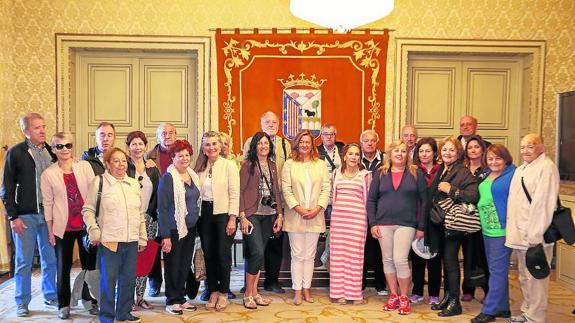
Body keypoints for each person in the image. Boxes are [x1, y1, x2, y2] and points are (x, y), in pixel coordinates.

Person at [0, 113, 58, 317]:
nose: (42, 131)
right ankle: (22, 301)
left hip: (49, 216)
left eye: (43, 126)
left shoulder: (52, 152)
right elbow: (5, 188)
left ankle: (51, 295)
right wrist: (12, 217)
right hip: (24, 216)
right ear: (26, 131)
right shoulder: (16, 153)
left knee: (50, 259)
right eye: (36, 128)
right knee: (24, 262)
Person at [82, 147, 147, 323]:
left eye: (124, 161)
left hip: (131, 239)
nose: (120, 165)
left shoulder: (133, 184)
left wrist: (142, 237)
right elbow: (88, 210)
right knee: (108, 281)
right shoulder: (99, 182)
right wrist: (94, 230)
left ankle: (124, 313)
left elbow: (139, 213)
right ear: (108, 164)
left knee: (128, 279)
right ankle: (107, 316)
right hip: (109, 240)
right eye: (116, 161)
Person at [367, 140, 428, 315]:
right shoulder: (380, 173)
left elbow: (424, 203)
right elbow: (371, 200)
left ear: (407, 154)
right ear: (390, 154)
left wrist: (421, 226)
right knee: (387, 259)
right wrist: (373, 223)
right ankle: (393, 295)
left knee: (400, 259)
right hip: (383, 223)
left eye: (403, 151)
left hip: (406, 224)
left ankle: (404, 297)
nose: (400, 154)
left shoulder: (416, 173)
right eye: (396, 151)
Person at [40, 132, 96, 319]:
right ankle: (64, 304)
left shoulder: (85, 166)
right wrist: (49, 230)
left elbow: (93, 194)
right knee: (63, 267)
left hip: (85, 225)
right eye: (60, 146)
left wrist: (95, 223)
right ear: (54, 149)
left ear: (73, 146)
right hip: (62, 228)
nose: (65, 150)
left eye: (68, 145)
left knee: (89, 266)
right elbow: (47, 204)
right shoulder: (48, 174)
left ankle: (89, 300)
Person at [505, 133, 559, 323]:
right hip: (521, 235)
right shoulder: (522, 169)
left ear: (542, 147)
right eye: (522, 147)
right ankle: (527, 311)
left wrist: (535, 234)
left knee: (536, 278)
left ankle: (536, 317)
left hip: (536, 236)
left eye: (531, 146)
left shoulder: (546, 168)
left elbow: (544, 204)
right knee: (524, 276)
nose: (526, 150)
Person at [426, 136, 479, 317]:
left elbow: (473, 195)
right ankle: (448, 297)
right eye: (444, 150)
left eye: (451, 150)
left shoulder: (462, 171)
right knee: (446, 262)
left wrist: (451, 190)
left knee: (451, 263)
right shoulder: (443, 168)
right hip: (442, 222)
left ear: (458, 152)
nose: (447, 153)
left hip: (454, 225)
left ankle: (455, 302)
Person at [243, 111, 291, 294]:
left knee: (275, 242)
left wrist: (280, 207)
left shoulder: (285, 144)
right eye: (267, 122)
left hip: (276, 201)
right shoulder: (251, 141)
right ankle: (250, 284)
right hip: (254, 204)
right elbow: (246, 169)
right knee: (253, 246)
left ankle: (272, 280)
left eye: (274, 122)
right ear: (261, 123)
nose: (271, 124)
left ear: (279, 123)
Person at [281, 129, 330, 305]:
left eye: (307, 142)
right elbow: (286, 189)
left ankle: (307, 288)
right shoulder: (289, 164)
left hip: (316, 215)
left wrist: (318, 208)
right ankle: (297, 290)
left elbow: (326, 188)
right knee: (297, 254)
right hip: (296, 215)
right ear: (296, 144)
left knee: (310, 256)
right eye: (301, 142)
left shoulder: (321, 164)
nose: (304, 145)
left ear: (312, 145)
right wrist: (299, 208)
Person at [194, 131, 240, 311]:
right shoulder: (198, 167)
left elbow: (234, 194)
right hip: (204, 214)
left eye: (214, 144)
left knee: (223, 254)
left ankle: (223, 292)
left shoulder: (229, 165)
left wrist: (232, 218)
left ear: (220, 146)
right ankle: (213, 290)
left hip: (223, 214)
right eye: (207, 144)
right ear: (203, 149)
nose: (211, 147)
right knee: (209, 254)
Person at [471, 144, 516, 323]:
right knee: (496, 270)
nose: (494, 162)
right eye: (490, 158)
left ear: (506, 159)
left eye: (498, 158)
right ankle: (503, 307)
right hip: (487, 229)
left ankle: (489, 311)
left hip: (501, 230)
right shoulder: (488, 174)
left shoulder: (513, 174)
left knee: (497, 271)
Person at [238, 131, 283, 309]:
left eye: (266, 143)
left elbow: (276, 191)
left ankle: (255, 293)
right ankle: (248, 295)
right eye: (260, 143)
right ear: (254, 146)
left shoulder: (272, 165)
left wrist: (279, 214)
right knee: (256, 253)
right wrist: (242, 216)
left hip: (269, 215)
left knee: (258, 254)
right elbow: (239, 191)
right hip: (252, 214)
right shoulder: (247, 165)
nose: (263, 146)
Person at [156, 140, 201, 315]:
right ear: (172, 157)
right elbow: (163, 208)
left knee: (184, 264)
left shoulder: (192, 175)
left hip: (190, 228)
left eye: (187, 155)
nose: (184, 158)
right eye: (179, 155)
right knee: (172, 265)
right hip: (174, 230)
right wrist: (166, 236)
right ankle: (172, 300)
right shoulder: (168, 178)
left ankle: (181, 298)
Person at [329, 143, 370, 305]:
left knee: (355, 257)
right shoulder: (335, 174)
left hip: (358, 221)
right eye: (351, 154)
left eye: (357, 154)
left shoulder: (366, 175)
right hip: (339, 221)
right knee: (338, 257)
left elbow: (368, 201)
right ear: (344, 156)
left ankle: (354, 293)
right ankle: (340, 294)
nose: (354, 157)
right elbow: (333, 198)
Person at [125, 131, 161, 311]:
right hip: (128, 220)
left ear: (145, 147)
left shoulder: (152, 168)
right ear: (128, 147)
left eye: (141, 144)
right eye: (134, 144)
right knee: (129, 260)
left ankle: (140, 297)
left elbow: (158, 194)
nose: (137, 148)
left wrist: (150, 216)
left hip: (149, 220)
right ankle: (127, 298)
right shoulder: (123, 166)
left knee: (144, 261)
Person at [409, 137, 442, 306]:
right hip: (417, 218)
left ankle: (435, 293)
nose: (424, 154)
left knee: (435, 257)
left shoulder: (441, 170)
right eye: (421, 151)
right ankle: (417, 291)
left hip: (436, 220)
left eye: (428, 150)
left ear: (435, 153)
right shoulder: (413, 171)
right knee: (417, 258)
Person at [145, 123, 176, 297]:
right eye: (163, 133)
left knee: (175, 247)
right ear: (158, 137)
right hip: (155, 207)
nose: (167, 136)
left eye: (171, 133)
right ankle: (155, 282)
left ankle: (175, 282)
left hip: (176, 208)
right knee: (154, 247)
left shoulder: (182, 154)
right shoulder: (148, 156)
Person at [461, 135, 490, 302]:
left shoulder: (488, 170)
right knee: (467, 255)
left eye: (476, 147)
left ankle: (488, 290)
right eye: (470, 147)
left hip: (483, 218)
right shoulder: (462, 168)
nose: (473, 150)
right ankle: (468, 289)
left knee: (482, 256)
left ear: (482, 149)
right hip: (464, 217)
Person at [358, 129, 387, 296]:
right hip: (359, 210)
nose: (369, 143)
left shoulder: (384, 160)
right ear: (361, 143)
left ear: (377, 142)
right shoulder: (355, 159)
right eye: (366, 141)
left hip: (380, 210)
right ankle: (359, 283)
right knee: (360, 247)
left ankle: (380, 284)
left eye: (372, 140)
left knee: (379, 248)